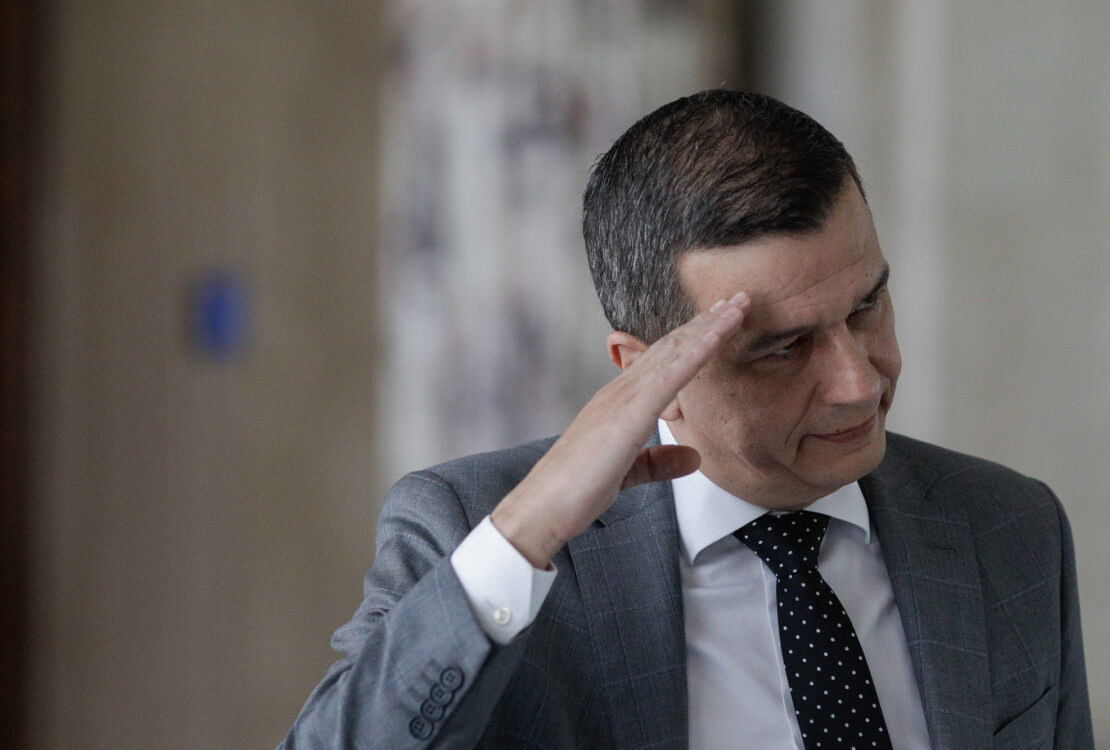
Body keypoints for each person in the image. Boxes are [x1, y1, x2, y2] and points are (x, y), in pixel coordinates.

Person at [277, 91, 1092, 749]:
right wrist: (526, 533)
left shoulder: (1008, 527)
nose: (856, 383)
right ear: (647, 371)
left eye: (866, 307)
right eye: (782, 348)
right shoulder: (473, 532)